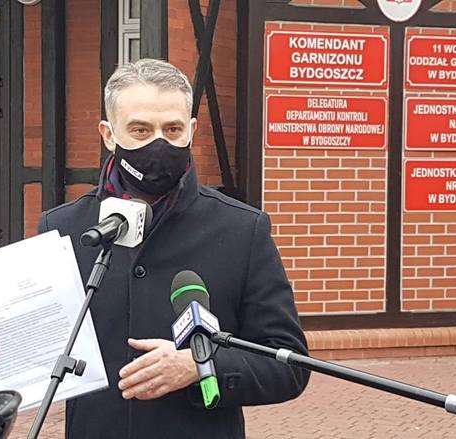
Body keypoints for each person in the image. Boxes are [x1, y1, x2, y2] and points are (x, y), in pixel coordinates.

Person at [25, 58, 310, 438]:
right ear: (108, 134)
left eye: (172, 129)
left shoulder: (242, 230)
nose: (158, 143)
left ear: (192, 130)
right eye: (140, 130)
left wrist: (199, 367)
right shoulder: (62, 228)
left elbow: (290, 365)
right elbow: (33, 347)